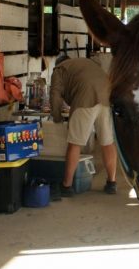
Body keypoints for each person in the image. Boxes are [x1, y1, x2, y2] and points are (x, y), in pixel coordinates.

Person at [49, 55, 118, 197]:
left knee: (75, 143)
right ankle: (112, 183)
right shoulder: (84, 62)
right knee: (107, 142)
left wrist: (57, 117)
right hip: (106, 98)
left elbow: (55, 94)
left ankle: (66, 186)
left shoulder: (59, 69)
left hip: (85, 99)